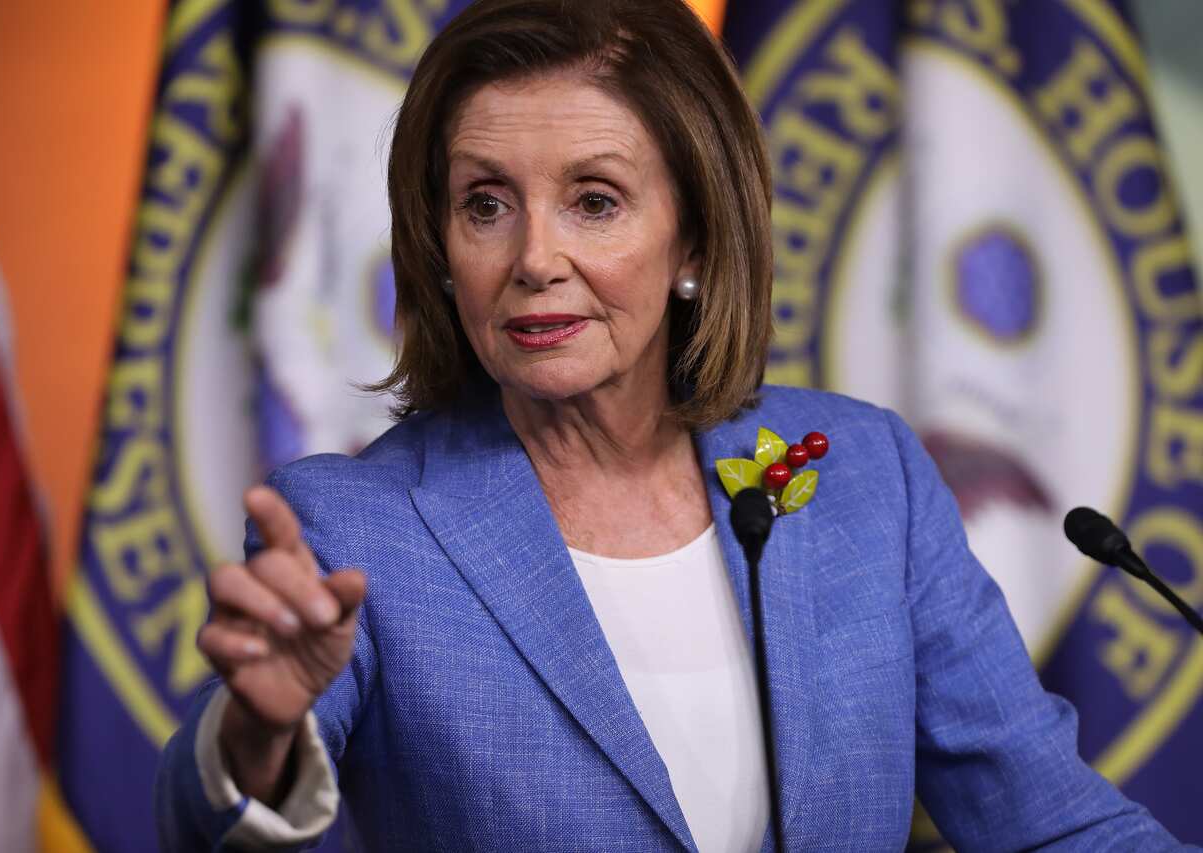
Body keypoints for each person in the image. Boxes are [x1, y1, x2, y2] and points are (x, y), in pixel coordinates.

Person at [155, 0, 1189, 850]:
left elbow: (1051, 824)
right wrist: (255, 736)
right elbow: (199, 824)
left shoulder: (865, 475)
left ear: (693, 237)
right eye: (486, 204)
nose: (534, 258)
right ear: (438, 244)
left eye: (595, 200)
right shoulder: (354, 528)